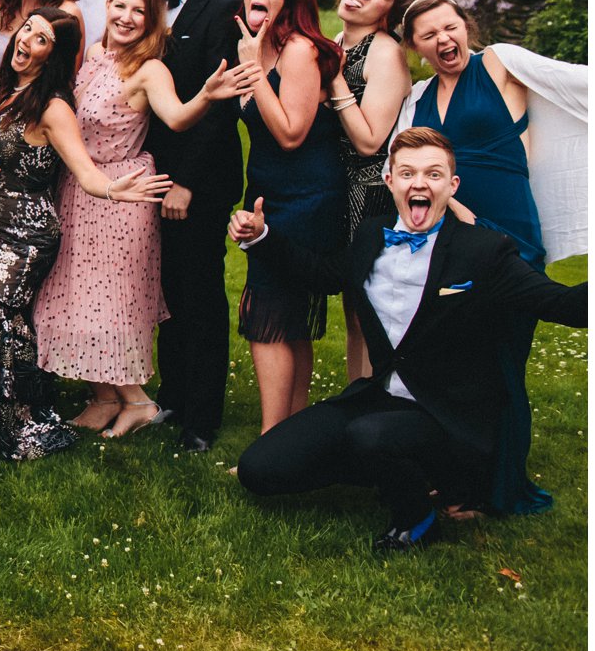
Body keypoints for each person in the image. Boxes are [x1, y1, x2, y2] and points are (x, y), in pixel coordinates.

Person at [232, 128, 587, 552]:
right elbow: (324, 275)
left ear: (451, 186)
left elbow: (564, 305)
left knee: (371, 436)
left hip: (450, 417)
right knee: (260, 468)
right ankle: (382, 465)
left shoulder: (484, 251)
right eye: (408, 173)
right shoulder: (370, 235)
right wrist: (261, 237)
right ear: (390, 182)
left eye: (433, 174)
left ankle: (417, 517)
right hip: (381, 399)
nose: (420, 183)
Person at [0, 8, 171, 461]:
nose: (26, 42)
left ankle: (23, 417)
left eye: (40, 40)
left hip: (25, 233)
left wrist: (117, 188)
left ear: (52, 56)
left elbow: (87, 173)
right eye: (27, 31)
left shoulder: (53, 107)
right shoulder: (0, 87)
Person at [34, 0, 256, 439]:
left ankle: (137, 400)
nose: (127, 17)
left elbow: (175, 119)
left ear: (152, 20)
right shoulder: (94, 55)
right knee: (72, 296)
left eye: (139, 11)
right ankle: (103, 398)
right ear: (108, 7)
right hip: (79, 188)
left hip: (123, 193)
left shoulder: (149, 68)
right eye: (121, 6)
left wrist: (207, 96)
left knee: (110, 304)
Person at [234, 0, 347, 436]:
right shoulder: (255, 47)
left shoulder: (299, 50)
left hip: (306, 199)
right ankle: (292, 435)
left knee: (268, 316)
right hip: (268, 192)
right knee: (289, 321)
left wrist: (254, 74)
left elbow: (290, 134)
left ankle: (270, 441)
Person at [144, 0, 245, 454]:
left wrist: (184, 182)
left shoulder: (224, 5)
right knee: (168, 292)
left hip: (198, 178)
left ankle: (202, 420)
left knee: (200, 295)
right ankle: (173, 395)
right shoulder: (155, 1)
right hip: (154, 171)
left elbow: (221, 106)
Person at [396, 0, 588, 271]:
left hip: (508, 219)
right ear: (414, 46)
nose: (443, 39)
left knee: (513, 303)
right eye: (429, 35)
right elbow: (397, 163)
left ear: (466, 27)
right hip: (445, 229)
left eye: (451, 28)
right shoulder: (418, 98)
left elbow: (576, 81)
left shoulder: (498, 62)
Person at [324, 0, 418, 380]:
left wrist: (335, 80)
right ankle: (356, 397)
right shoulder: (336, 41)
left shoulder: (385, 53)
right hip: (334, 185)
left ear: (387, 12)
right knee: (351, 306)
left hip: (370, 192)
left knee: (368, 309)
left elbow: (369, 141)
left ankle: (377, 398)